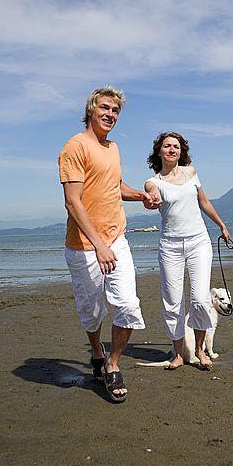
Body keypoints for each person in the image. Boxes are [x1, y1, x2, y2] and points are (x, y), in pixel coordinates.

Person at [58, 85, 157, 402]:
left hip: (116, 240)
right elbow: (73, 203)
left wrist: (140, 196)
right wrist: (98, 245)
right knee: (92, 312)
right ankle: (97, 352)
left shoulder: (112, 148)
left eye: (115, 110)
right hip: (84, 247)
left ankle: (112, 365)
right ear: (90, 109)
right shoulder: (74, 148)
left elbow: (114, 185)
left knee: (127, 304)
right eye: (104, 107)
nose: (110, 114)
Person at [145, 132, 231, 370]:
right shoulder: (153, 182)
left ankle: (200, 351)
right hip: (170, 246)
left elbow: (203, 202)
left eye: (176, 146)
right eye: (167, 146)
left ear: (181, 151)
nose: (172, 149)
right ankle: (178, 354)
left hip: (198, 242)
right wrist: (150, 201)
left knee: (201, 300)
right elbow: (151, 199)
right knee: (173, 303)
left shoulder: (191, 172)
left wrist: (221, 225)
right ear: (159, 151)